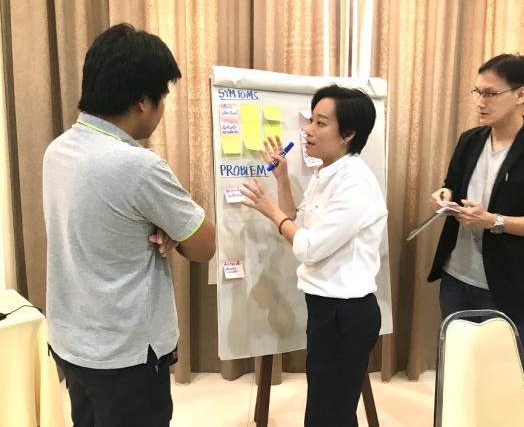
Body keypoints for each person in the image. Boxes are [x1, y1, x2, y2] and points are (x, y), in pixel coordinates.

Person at [43, 23, 216, 427]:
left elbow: (106, 225)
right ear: (142, 101)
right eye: (163, 97)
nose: (162, 108)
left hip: (73, 343)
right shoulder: (138, 166)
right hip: (126, 355)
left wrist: (161, 227)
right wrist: (171, 228)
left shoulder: (58, 151)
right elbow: (205, 245)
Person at [240, 85, 387, 427]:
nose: (308, 130)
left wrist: (271, 211)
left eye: (321, 123)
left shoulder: (355, 183)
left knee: (329, 413)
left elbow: (308, 247)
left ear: (348, 134)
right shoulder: (326, 172)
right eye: (310, 120)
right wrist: (282, 180)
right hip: (325, 308)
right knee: (328, 408)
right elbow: (298, 225)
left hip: (346, 313)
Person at [428, 54, 524, 351]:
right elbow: (451, 185)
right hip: (456, 275)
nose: (481, 102)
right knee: (458, 362)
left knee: (501, 370)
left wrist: (493, 221)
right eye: (478, 92)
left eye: (491, 94)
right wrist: (444, 195)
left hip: (507, 285)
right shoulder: (470, 140)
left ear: (521, 94)